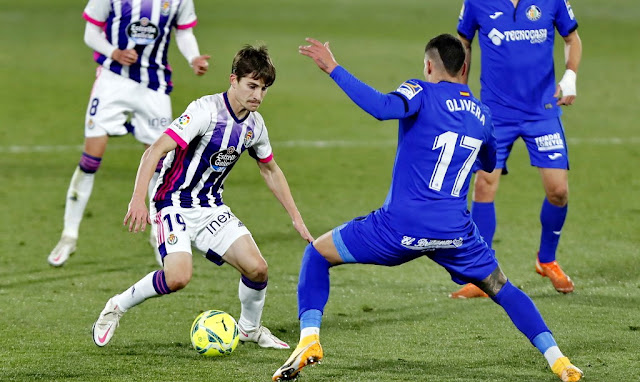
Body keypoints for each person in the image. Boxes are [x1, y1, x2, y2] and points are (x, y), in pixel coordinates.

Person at [272, 35, 582, 382]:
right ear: (464, 68)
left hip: (398, 229)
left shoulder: (420, 91)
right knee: (503, 288)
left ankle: (309, 340)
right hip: (454, 233)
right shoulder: (483, 114)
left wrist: (334, 68)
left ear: (430, 66)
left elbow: (382, 107)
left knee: (317, 254)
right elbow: (490, 161)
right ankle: (559, 361)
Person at [92, 45, 313, 349]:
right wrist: (137, 199)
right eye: (252, 86)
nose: (258, 95)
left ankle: (249, 329)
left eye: (263, 89)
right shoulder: (204, 111)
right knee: (178, 277)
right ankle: (116, 306)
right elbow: (154, 150)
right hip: (171, 202)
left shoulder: (254, 126)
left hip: (210, 207)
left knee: (258, 268)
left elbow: (271, 170)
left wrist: (296, 218)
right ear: (233, 80)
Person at [47, 0, 211, 267]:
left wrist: (193, 57)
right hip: (113, 82)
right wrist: (114, 52)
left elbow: (183, 31)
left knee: (161, 165)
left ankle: (160, 237)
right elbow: (91, 32)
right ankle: (69, 235)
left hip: (154, 87)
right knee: (91, 159)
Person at [450, 0, 583, 299]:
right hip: (496, 112)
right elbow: (463, 43)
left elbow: (571, 38)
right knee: (484, 185)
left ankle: (546, 260)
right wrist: (460, 90)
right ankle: (483, 275)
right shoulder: (476, 3)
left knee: (558, 191)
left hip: (543, 112)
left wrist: (570, 75)